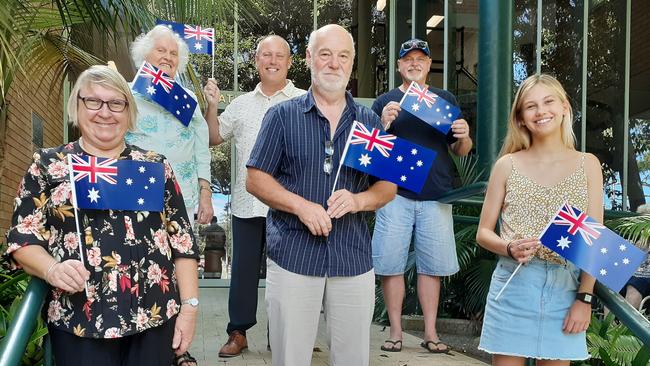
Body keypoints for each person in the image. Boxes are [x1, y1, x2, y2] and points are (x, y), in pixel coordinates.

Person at [4, 65, 199, 366]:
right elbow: (22, 238)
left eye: (116, 103)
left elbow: (182, 243)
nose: (104, 112)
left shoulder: (153, 167)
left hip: (154, 319)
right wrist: (52, 269)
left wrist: (189, 308)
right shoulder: (48, 165)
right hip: (79, 320)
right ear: (77, 106)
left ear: (128, 111)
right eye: (93, 101)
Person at [245, 24, 396, 366]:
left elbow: (387, 187)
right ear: (310, 59)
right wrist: (300, 206)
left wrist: (359, 201)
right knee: (290, 357)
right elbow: (255, 179)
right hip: (294, 256)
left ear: (352, 64)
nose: (333, 63)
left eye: (343, 56)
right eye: (325, 54)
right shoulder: (282, 116)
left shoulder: (369, 122)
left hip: (352, 258)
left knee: (353, 358)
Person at [476, 74, 602, 364]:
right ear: (520, 118)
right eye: (530, 106)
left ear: (565, 107)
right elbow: (484, 232)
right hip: (514, 283)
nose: (541, 111)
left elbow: (595, 238)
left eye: (548, 102)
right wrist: (508, 247)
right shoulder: (506, 164)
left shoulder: (589, 164)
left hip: (566, 287)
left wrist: (585, 298)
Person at [203, 35, 306, 357]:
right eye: (266, 55)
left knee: (288, 275)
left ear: (290, 62)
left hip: (290, 205)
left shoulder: (305, 100)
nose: (272, 60)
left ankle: (283, 334)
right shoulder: (241, 104)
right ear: (257, 61)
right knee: (244, 273)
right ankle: (238, 332)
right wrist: (211, 105)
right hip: (247, 205)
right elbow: (213, 137)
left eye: (279, 55)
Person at [371, 38, 472, 353]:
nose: (414, 63)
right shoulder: (384, 101)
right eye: (408, 59)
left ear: (429, 65)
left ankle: (431, 333)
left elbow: (460, 150)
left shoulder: (443, 99)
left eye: (421, 59)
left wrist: (465, 137)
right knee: (391, 265)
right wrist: (384, 125)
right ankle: (396, 332)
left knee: (432, 267)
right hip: (393, 195)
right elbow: (372, 152)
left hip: (435, 195)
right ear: (399, 66)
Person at [126, 25, 213, 225]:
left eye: (173, 53)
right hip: (136, 192)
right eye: (161, 50)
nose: (168, 57)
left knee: (181, 255)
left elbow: (201, 151)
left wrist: (206, 195)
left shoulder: (188, 99)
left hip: (182, 195)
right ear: (144, 54)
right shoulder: (125, 94)